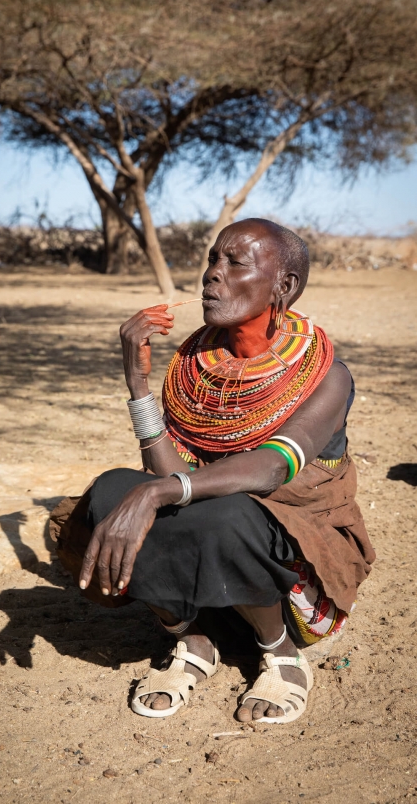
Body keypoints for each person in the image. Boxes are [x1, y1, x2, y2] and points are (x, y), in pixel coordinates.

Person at [50, 218, 375, 724]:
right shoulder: (194, 365)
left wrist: (158, 494)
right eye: (211, 259)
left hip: (291, 567)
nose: (211, 275)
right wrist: (137, 384)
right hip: (216, 546)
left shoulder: (326, 375)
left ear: (283, 286)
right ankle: (193, 639)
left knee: (222, 513)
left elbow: (271, 468)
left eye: (234, 262)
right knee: (112, 491)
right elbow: (171, 471)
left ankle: (280, 651)